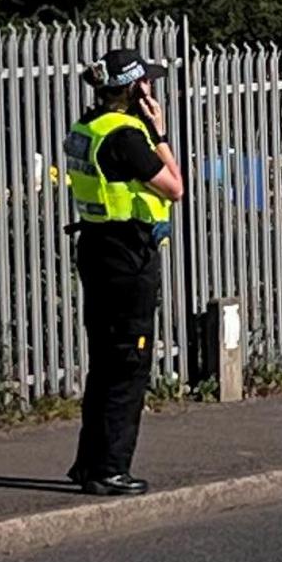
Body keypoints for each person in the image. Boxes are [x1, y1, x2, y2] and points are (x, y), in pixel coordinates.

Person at [65, 48, 187, 495]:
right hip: (127, 255)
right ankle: (109, 469)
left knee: (105, 360)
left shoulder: (88, 127)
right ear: (135, 88)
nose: (151, 88)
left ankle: (88, 462)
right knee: (128, 365)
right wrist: (160, 132)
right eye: (146, 82)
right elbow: (176, 187)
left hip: (96, 247)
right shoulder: (127, 137)